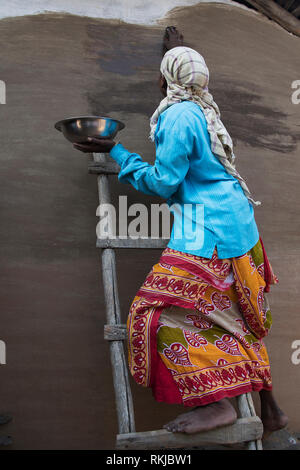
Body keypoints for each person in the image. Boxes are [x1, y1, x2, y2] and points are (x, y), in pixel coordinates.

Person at [74, 27, 288, 436]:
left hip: (208, 234)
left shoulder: (176, 115)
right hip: (241, 229)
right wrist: (180, 52)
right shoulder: (207, 109)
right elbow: (189, 79)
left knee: (152, 315)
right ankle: (271, 410)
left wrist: (116, 151)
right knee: (240, 320)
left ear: (163, 80)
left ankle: (218, 405)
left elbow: (164, 182)